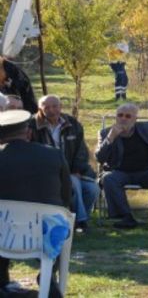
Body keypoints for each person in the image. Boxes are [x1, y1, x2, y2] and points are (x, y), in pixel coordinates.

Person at [0, 110, 71, 298]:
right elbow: (66, 197)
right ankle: (48, 274)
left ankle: (1, 280)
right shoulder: (54, 155)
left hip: (2, 235)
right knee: (60, 220)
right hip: (45, 234)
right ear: (29, 133)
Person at [95, 103, 148, 230]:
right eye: (120, 115)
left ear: (135, 119)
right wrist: (110, 138)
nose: (123, 119)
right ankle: (126, 218)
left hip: (146, 170)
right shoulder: (105, 133)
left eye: (128, 116)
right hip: (119, 171)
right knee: (108, 178)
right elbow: (99, 158)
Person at [31, 95, 99, 233]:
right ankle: (81, 221)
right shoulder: (32, 125)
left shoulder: (72, 123)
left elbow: (81, 150)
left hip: (72, 170)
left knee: (93, 189)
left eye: (55, 106)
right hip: (45, 174)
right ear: (40, 108)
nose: (51, 110)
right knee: (73, 183)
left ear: (60, 107)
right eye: (47, 107)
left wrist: (77, 169)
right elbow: (32, 152)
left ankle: (74, 221)